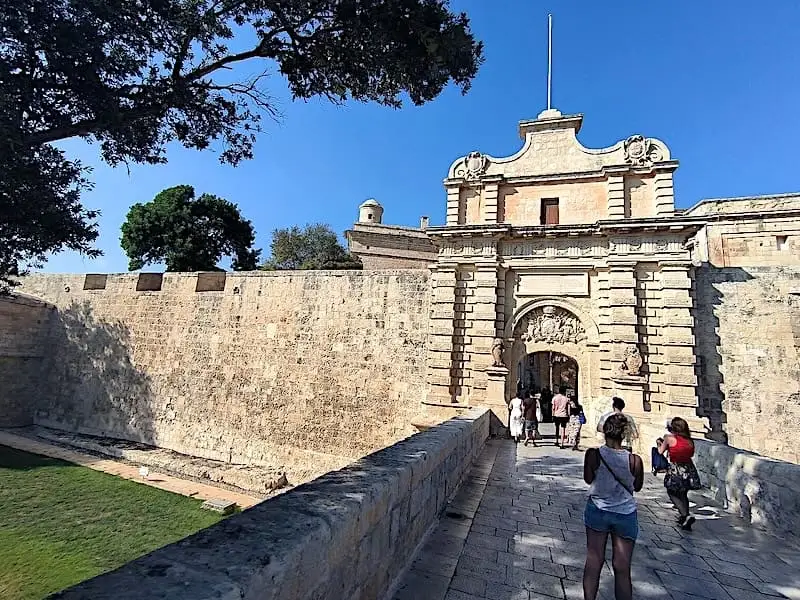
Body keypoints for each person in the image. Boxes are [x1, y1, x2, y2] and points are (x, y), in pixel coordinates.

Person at [583, 414, 644, 600]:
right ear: (624, 434)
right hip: (625, 514)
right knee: (623, 568)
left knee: (594, 560)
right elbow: (637, 486)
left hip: (598, 510)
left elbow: (588, 479)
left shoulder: (593, 454)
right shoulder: (635, 460)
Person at [659, 417, 701, 531]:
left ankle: (685, 515)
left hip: (676, 468)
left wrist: (660, 443)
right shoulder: (689, 441)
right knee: (683, 493)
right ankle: (685, 518)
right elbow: (691, 454)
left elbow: (660, 451)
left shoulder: (669, 438)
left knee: (671, 492)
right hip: (688, 468)